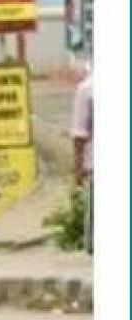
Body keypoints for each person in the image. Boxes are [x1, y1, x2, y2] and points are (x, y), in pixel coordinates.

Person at [70, 65, 93, 254]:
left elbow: (79, 134)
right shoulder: (87, 89)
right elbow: (80, 134)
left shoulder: (87, 88)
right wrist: (78, 168)